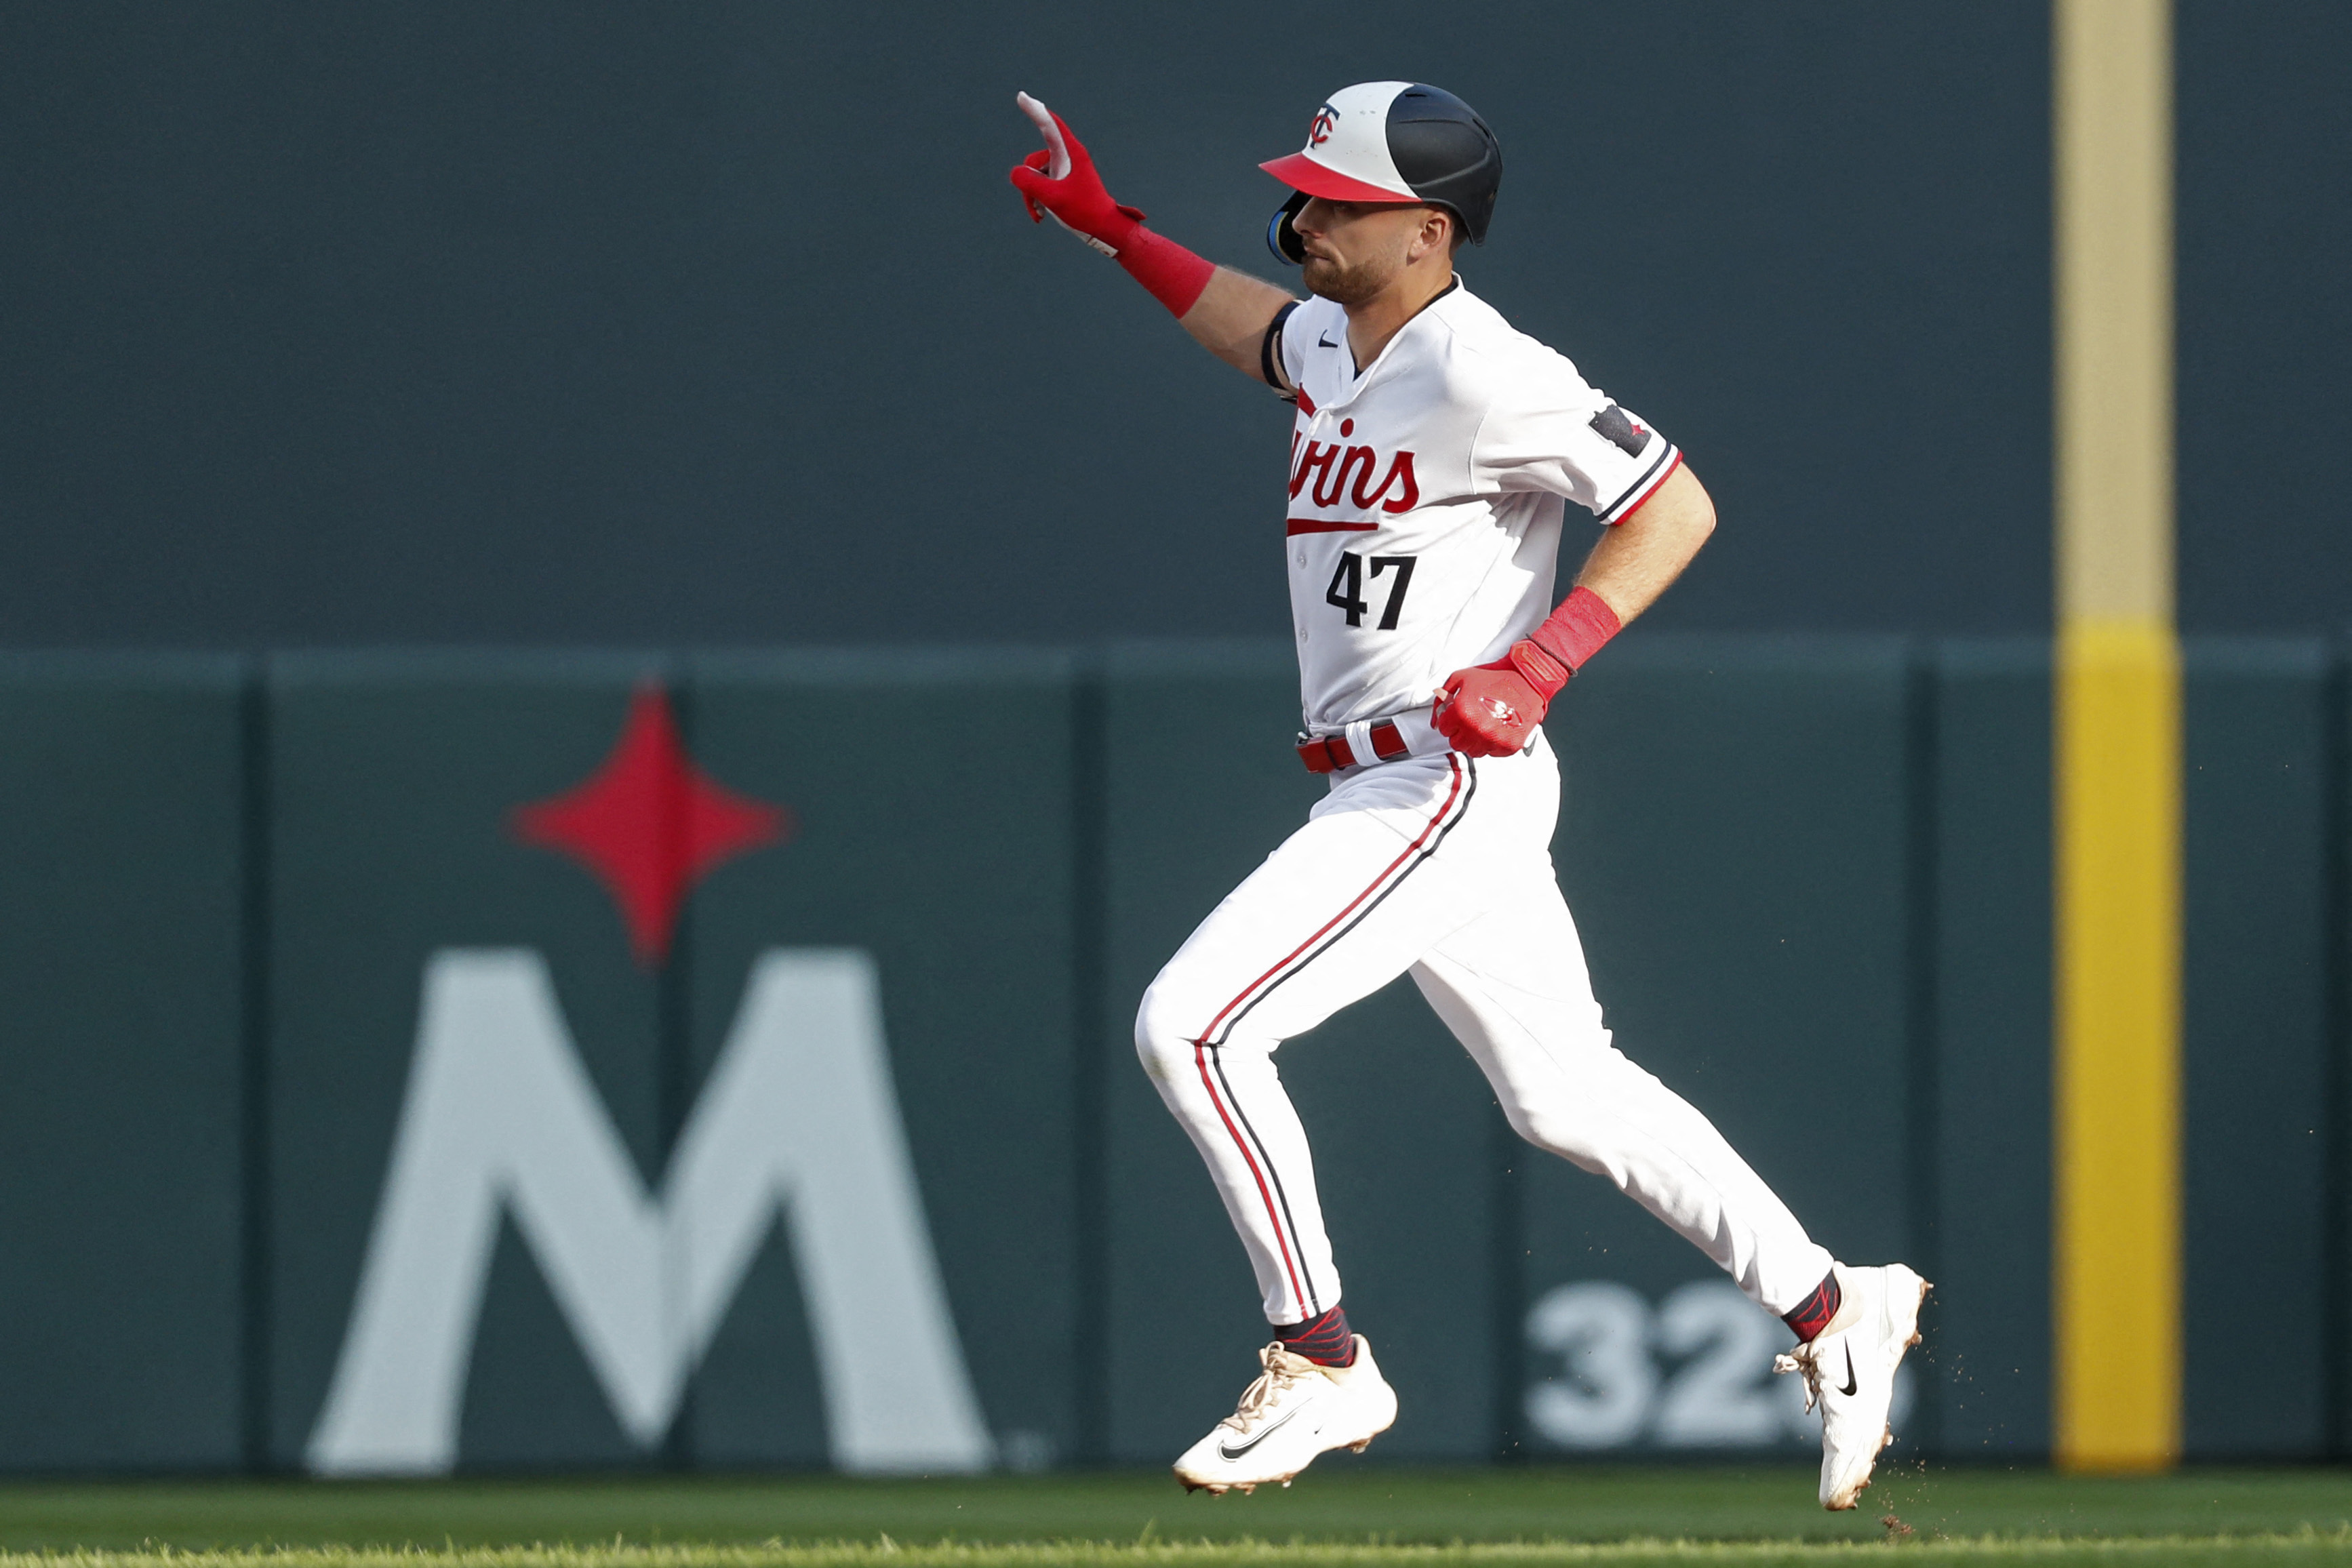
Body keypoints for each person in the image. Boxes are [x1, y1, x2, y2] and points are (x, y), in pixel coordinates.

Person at [1008, 81, 1928, 1510]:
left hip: (1440, 779)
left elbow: (1672, 501)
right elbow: (1256, 329)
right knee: (1566, 1093)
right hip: (1381, 779)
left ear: (1425, 230)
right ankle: (1832, 1303)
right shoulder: (1333, 332)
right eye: (1305, 188)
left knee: (1190, 1029)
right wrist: (1112, 230)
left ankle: (1320, 1354)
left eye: (1336, 200)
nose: (1302, 212)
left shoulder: (1491, 369)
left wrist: (1544, 659)